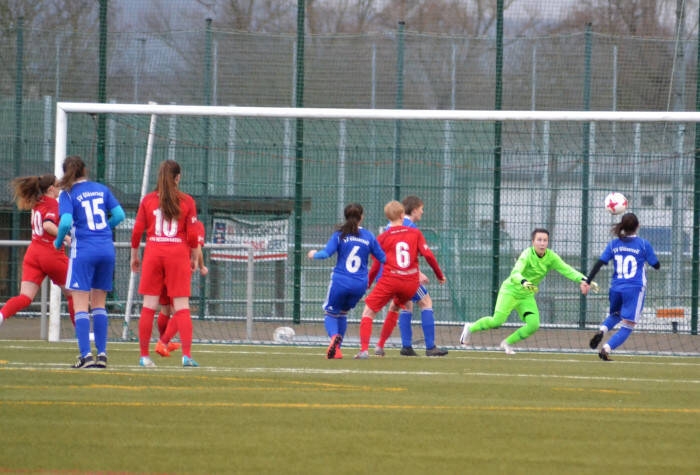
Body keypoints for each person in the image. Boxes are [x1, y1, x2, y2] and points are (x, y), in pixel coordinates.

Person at [460, 228, 593, 355]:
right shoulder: (527, 254)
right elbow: (515, 273)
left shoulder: (551, 257)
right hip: (510, 291)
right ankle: (470, 328)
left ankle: (507, 343)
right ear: (533, 242)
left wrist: (585, 280)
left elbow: (567, 269)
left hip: (526, 296)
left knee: (533, 324)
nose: (542, 243)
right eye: (539, 240)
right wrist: (524, 281)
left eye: (545, 240)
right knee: (497, 321)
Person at [54, 156, 125, 368]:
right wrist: (103, 228)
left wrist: (58, 242)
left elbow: (66, 221)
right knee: (100, 304)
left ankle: (86, 356)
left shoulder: (67, 194)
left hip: (83, 250)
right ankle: (102, 354)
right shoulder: (101, 189)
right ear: (85, 170)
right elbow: (120, 215)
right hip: (106, 249)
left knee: (81, 304)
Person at [131, 159, 201, 368]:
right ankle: (186, 356)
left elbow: (136, 232)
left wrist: (134, 255)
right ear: (178, 178)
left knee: (149, 306)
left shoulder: (148, 200)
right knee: (181, 306)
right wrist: (194, 257)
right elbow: (193, 235)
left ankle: (144, 357)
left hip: (154, 252)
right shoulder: (187, 201)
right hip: (177, 253)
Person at [355, 200, 446, 359]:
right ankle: (427, 347)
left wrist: (367, 285)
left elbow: (376, 264)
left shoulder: (383, 237)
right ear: (403, 214)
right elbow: (429, 255)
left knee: (369, 312)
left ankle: (365, 350)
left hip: (390, 279)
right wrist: (439, 275)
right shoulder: (414, 232)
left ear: (387, 217)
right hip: (409, 282)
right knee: (411, 304)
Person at [307, 203, 386, 359]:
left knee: (330, 312)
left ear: (345, 216)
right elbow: (383, 258)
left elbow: (326, 254)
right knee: (343, 313)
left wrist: (313, 254)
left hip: (341, 281)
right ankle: (337, 350)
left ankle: (334, 338)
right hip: (360, 284)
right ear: (361, 217)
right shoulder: (369, 236)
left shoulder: (340, 234)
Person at [0, 174, 74, 328]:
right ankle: (83, 335)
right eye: (57, 185)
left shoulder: (37, 203)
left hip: (33, 254)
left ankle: (1, 316)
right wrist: (66, 237)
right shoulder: (53, 203)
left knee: (25, 297)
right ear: (51, 188)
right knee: (75, 294)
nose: (60, 188)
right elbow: (48, 225)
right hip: (51, 254)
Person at [587, 213, 660, 361]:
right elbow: (656, 265)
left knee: (616, 314)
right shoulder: (643, 244)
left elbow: (600, 263)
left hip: (616, 287)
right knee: (629, 324)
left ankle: (602, 330)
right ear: (637, 226)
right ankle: (606, 349)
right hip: (634, 288)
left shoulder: (614, 244)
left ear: (622, 226)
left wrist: (588, 280)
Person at [141, 220, 208, 368]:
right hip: (178, 266)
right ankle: (164, 342)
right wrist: (201, 265)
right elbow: (196, 245)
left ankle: (160, 344)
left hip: (159, 262)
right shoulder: (195, 223)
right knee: (181, 310)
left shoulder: (164, 216)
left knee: (165, 308)